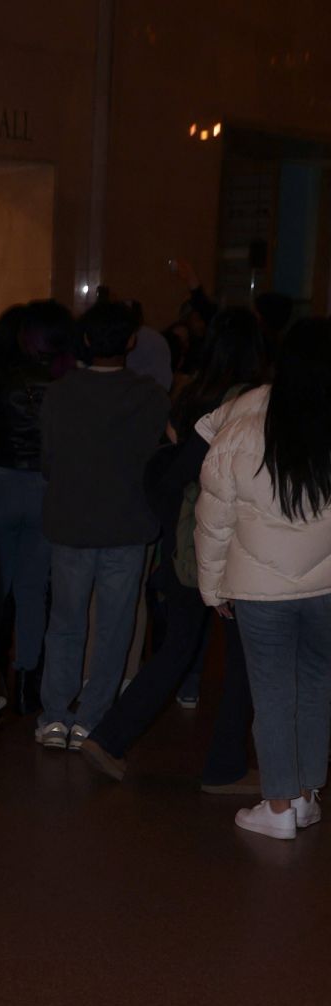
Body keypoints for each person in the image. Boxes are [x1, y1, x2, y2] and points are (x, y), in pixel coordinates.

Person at [79, 306, 265, 788]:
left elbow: (170, 473)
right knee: (243, 657)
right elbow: (197, 472)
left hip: (184, 537)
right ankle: (226, 766)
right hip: (221, 541)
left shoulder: (191, 393)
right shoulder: (242, 402)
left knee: (179, 645)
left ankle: (110, 736)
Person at [194, 317, 331, 839]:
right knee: (317, 688)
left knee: (272, 694)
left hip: (260, 590)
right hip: (326, 589)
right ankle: (304, 796)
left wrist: (212, 586)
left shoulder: (245, 422)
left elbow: (215, 517)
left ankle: (277, 809)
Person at [35, 300, 170, 749]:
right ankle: (92, 718)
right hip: (128, 524)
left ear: (87, 341)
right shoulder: (150, 395)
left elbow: (48, 461)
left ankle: (54, 715)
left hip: (72, 521)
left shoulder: (61, 392)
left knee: (67, 622)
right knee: (115, 627)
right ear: (131, 341)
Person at [0, 299, 75, 713]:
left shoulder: (0, 377)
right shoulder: (67, 385)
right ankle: (26, 684)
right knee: (33, 589)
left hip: (1, 481)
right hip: (45, 487)